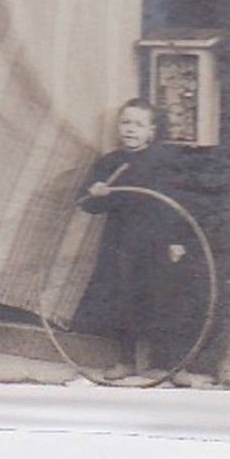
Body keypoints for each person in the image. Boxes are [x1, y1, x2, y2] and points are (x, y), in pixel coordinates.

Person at [75, 99, 203, 382]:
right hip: (121, 243)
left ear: (151, 131)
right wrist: (95, 191)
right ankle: (126, 361)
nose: (130, 129)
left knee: (167, 300)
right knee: (123, 300)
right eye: (125, 122)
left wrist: (177, 241)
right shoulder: (109, 163)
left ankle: (175, 366)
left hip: (159, 242)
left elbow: (179, 204)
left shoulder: (165, 162)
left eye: (138, 124)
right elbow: (86, 204)